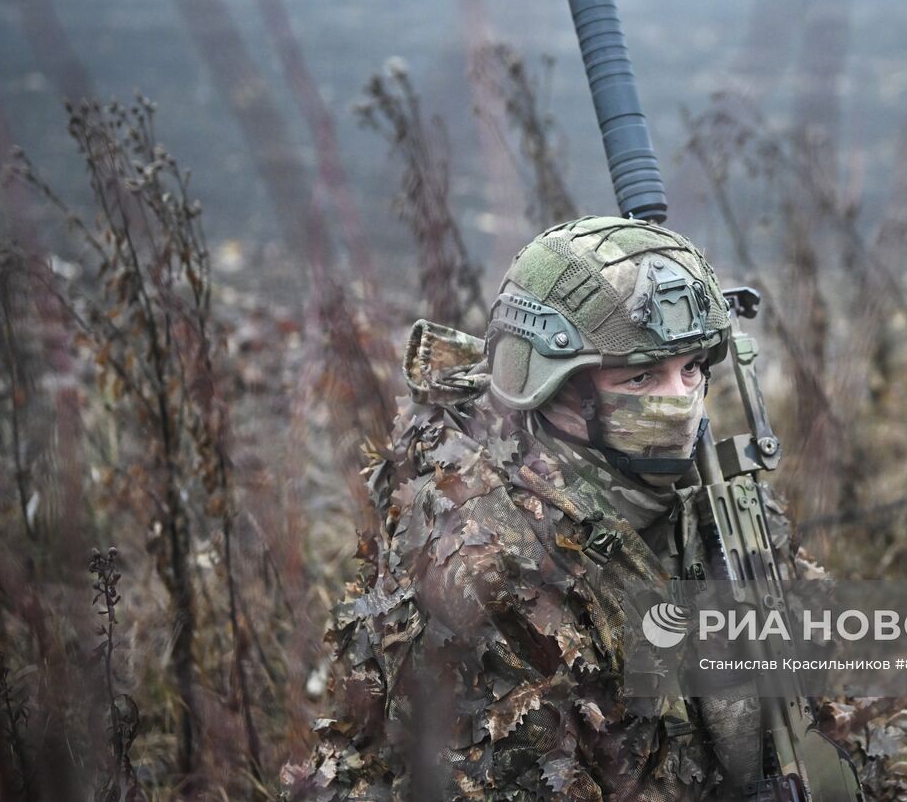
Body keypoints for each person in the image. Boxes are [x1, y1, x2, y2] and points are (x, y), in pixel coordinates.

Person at [285, 215, 859, 800]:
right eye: (640, 379)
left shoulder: (723, 504)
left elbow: (834, 711)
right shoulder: (483, 563)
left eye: (690, 370)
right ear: (551, 387)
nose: (680, 403)